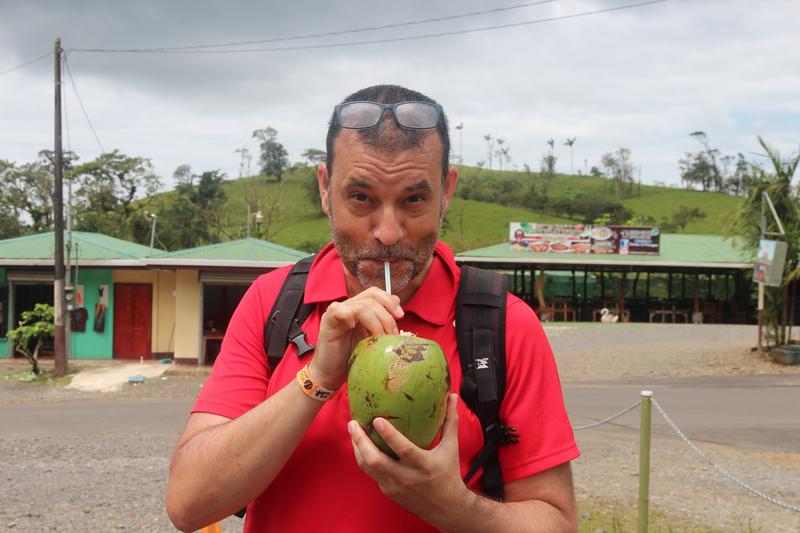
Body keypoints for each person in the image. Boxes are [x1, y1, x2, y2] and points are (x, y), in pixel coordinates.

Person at [166, 84, 580, 532]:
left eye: (414, 199)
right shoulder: (273, 301)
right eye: (361, 198)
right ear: (325, 188)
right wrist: (316, 381)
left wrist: (454, 506)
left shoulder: (503, 324)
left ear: (447, 192)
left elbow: (556, 522)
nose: (387, 232)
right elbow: (189, 505)